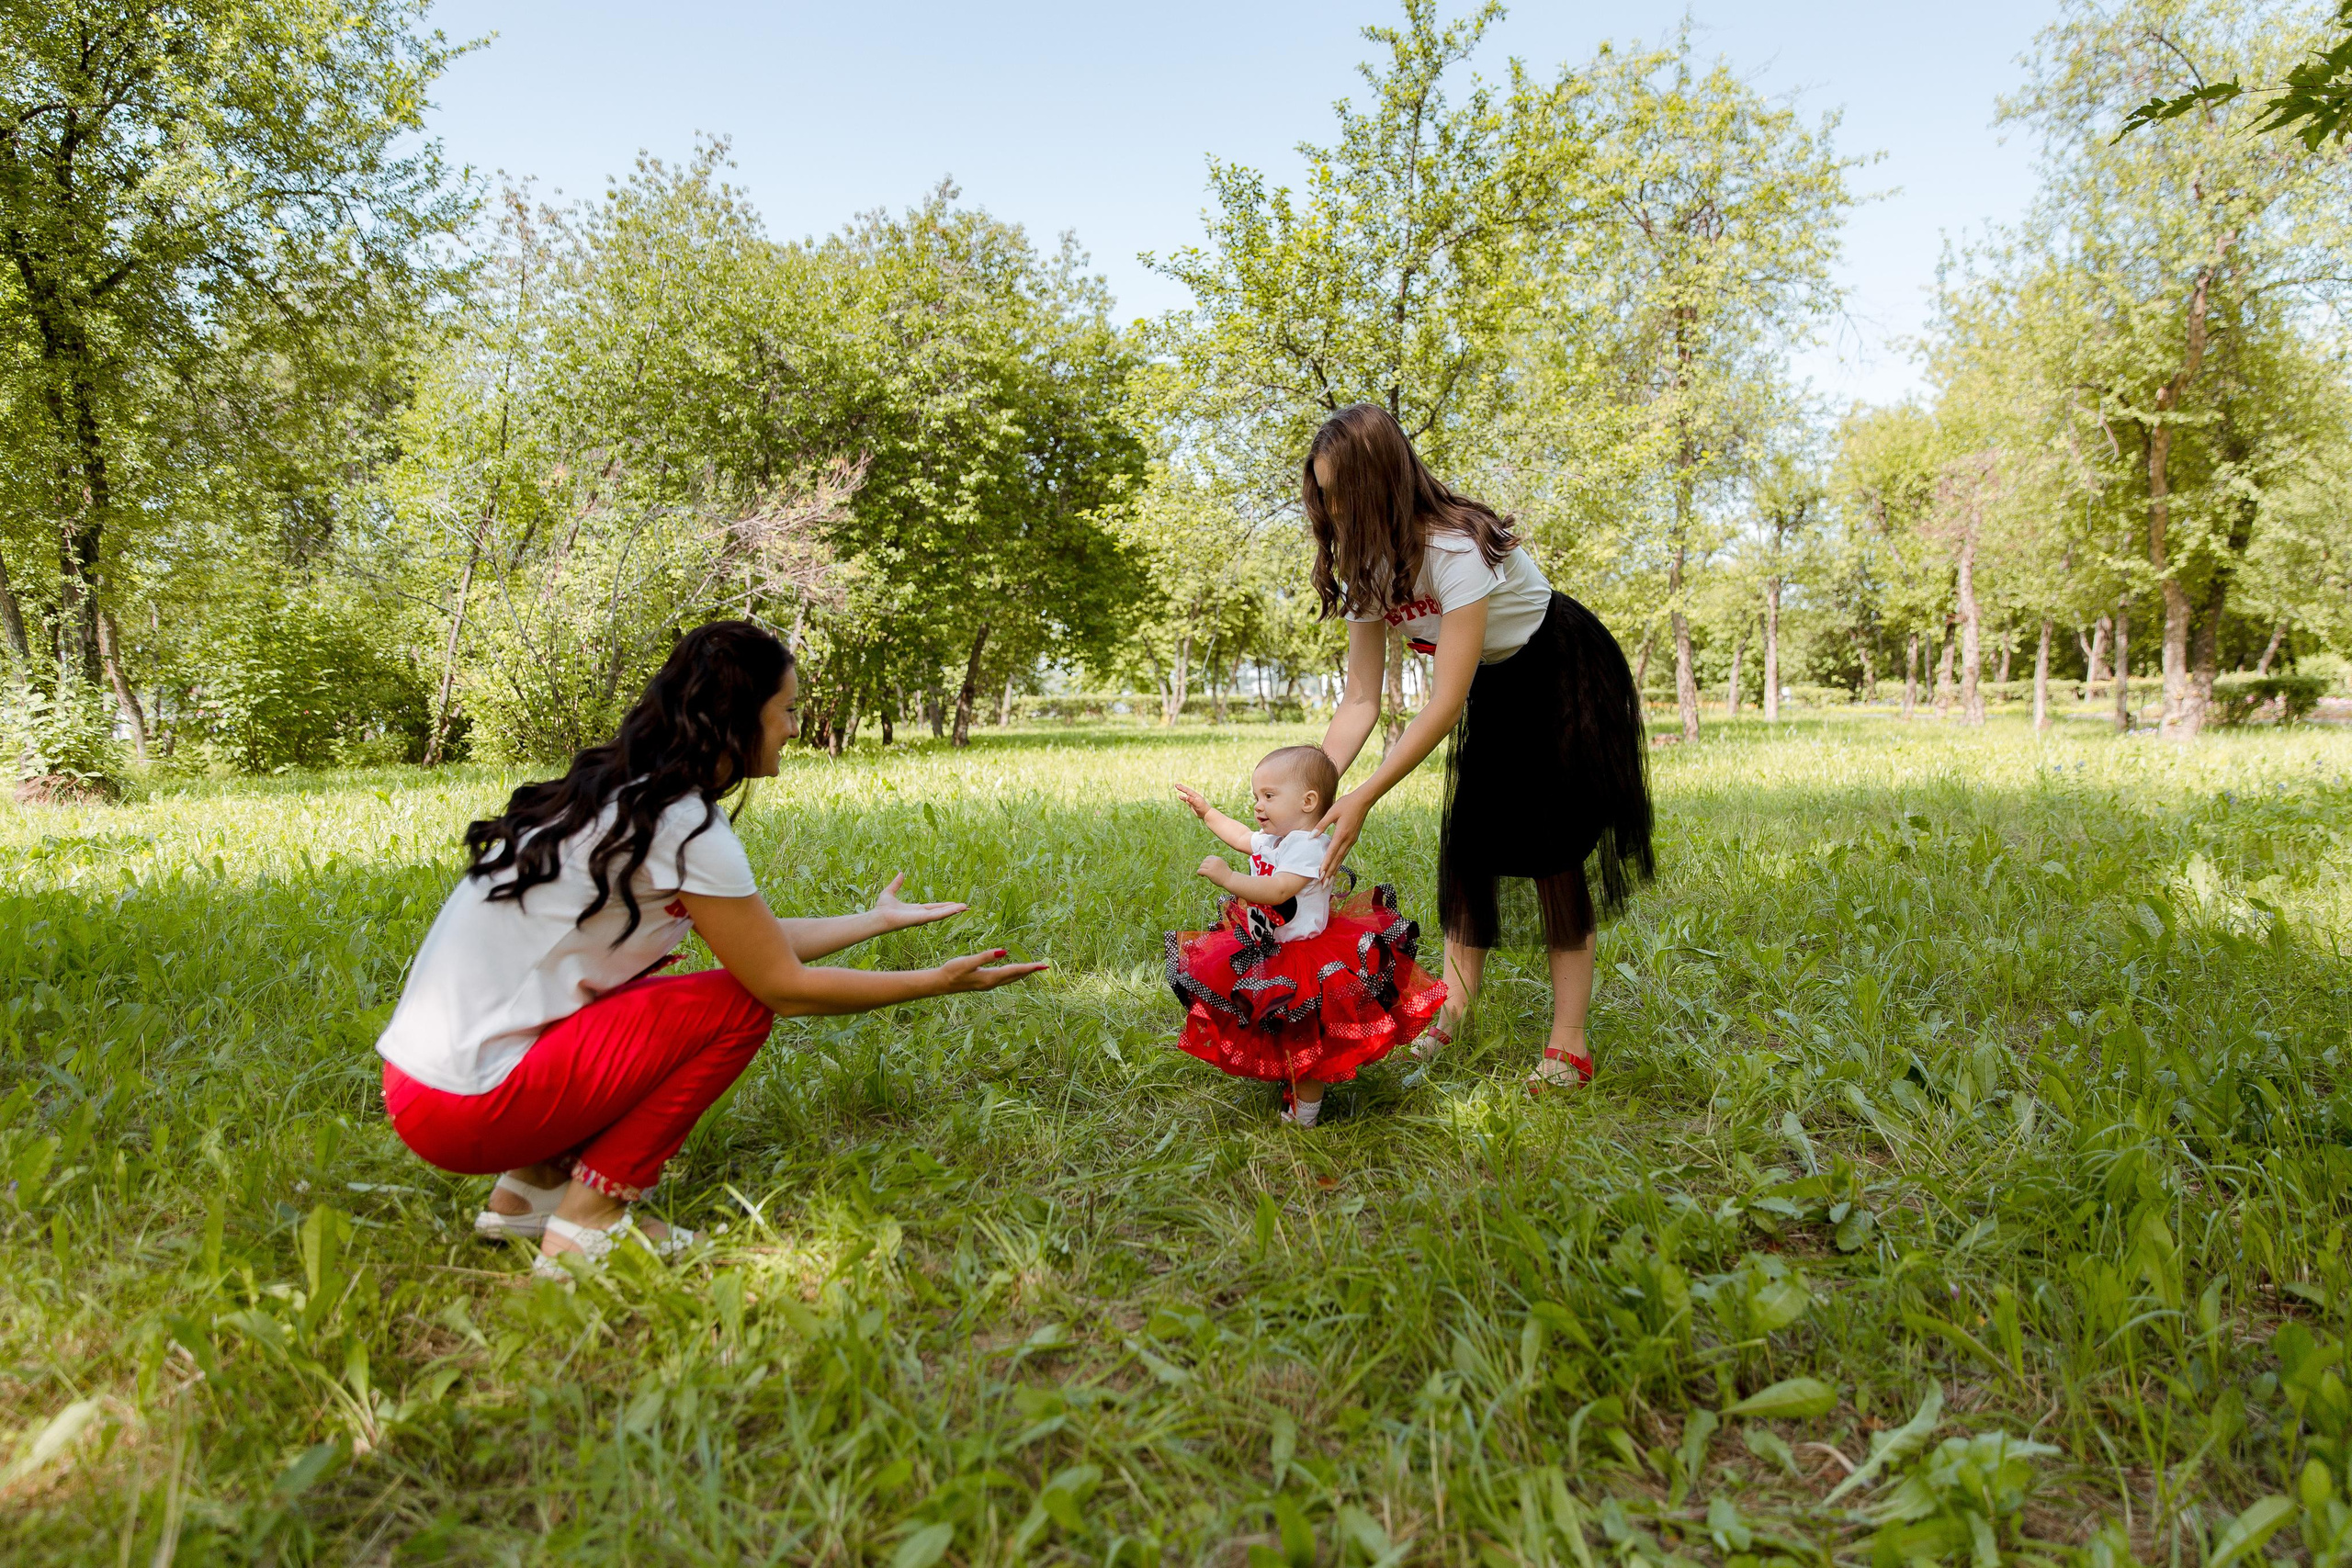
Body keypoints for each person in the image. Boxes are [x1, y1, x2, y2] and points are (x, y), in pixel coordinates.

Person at [374, 620, 1045, 1277]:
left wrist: (875, 921)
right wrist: (934, 982)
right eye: (785, 709)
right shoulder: (684, 822)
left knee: (644, 992)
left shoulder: (628, 796)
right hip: (467, 1105)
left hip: (423, 1085)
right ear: (737, 717)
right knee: (737, 1007)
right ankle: (591, 1223)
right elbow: (778, 984)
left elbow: (758, 941)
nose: (792, 727)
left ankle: (529, 1194)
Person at [1305, 404, 1653, 1095]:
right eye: (1323, 495)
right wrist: (1311, 793)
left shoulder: (1454, 546)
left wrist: (1365, 796)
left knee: (1553, 850)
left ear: (1382, 483)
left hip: (1558, 669)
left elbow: (1443, 702)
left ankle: (1570, 1043)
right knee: (1471, 844)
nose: (1333, 511)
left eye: (1342, 494)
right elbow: (1361, 702)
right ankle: (1454, 1008)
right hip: (1493, 680)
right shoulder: (1366, 565)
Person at [1165, 744, 1445, 1125]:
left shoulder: (1309, 847)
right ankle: (1289, 1082)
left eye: (1268, 796)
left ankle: (1305, 1110)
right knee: (1278, 1024)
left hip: (1308, 958)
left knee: (1309, 1036)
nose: (1257, 806)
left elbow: (1279, 890)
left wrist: (1230, 879)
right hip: (1272, 949)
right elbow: (1242, 837)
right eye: (1255, 797)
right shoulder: (1280, 838)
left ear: (1308, 801)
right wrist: (1208, 813)